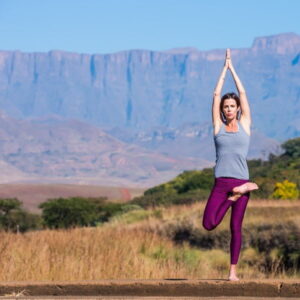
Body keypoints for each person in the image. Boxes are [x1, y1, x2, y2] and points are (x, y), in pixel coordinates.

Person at [202, 48, 259, 281]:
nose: (228, 109)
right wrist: (222, 71)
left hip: (241, 181)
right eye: (226, 107)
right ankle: (233, 197)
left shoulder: (246, 124)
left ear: (237, 109)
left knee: (236, 227)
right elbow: (215, 96)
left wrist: (232, 68)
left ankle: (232, 272)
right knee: (209, 223)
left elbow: (243, 93)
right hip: (222, 184)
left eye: (232, 106)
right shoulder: (218, 126)